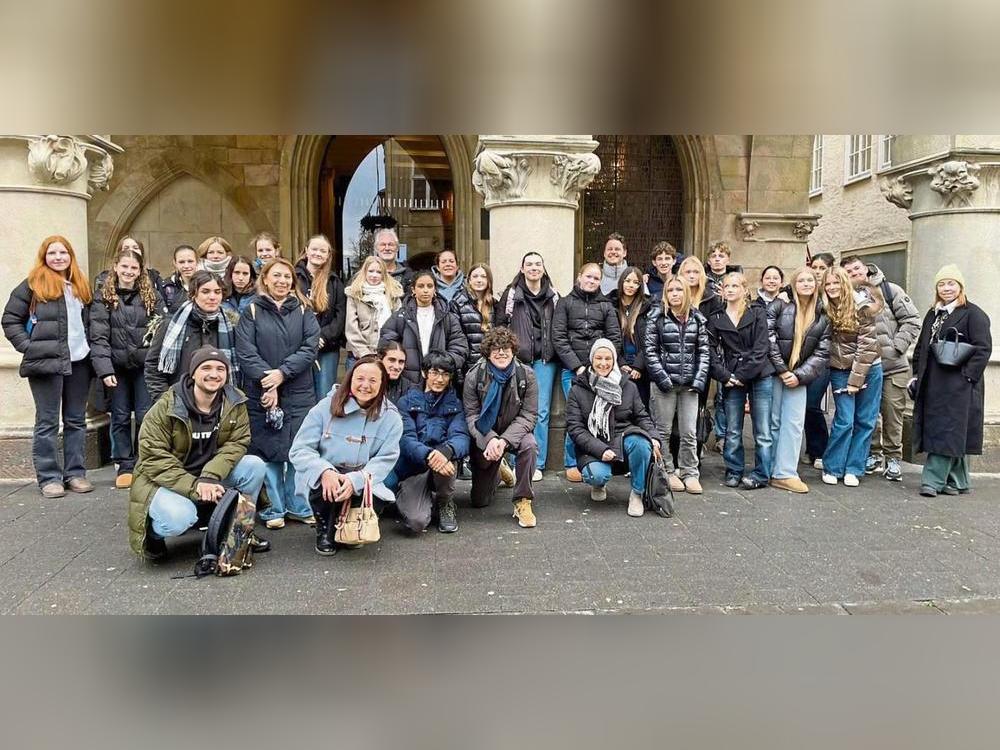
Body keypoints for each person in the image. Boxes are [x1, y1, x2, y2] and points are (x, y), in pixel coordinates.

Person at [127, 348, 269, 561]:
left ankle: (240, 530)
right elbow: (153, 458)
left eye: (221, 368)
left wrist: (209, 477)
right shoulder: (166, 407)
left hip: (207, 474)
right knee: (179, 518)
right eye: (206, 368)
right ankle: (153, 536)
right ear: (193, 373)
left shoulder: (235, 402)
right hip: (164, 479)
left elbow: (237, 443)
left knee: (254, 465)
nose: (214, 374)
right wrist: (195, 486)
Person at [2, 235, 95, 498]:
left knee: (76, 421)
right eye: (52, 253)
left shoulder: (79, 284)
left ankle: (76, 473)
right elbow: (10, 319)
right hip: (46, 364)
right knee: (47, 422)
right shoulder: (33, 283)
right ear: (44, 256)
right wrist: (28, 347)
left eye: (63, 252)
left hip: (79, 362)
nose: (58, 257)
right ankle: (49, 477)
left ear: (70, 256)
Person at [235, 258, 321, 529]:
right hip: (262, 391)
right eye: (277, 276)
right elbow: (246, 352)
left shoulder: (305, 310)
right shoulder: (251, 310)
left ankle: (297, 504)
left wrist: (282, 373)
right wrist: (268, 382)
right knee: (267, 449)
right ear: (265, 279)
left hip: (298, 389)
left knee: (297, 447)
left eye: (287, 277)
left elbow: (310, 348)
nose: (282, 281)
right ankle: (273, 507)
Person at [288, 355, 404, 556]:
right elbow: (300, 449)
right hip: (327, 476)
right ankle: (325, 528)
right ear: (350, 378)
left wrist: (355, 480)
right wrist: (324, 471)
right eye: (360, 378)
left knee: (366, 505)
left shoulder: (392, 418)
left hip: (363, 477)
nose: (365, 385)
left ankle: (352, 522)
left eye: (373, 380)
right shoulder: (325, 407)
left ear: (382, 384)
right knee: (327, 488)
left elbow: (385, 459)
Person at [911, 265, 992, 497]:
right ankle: (958, 481)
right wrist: (916, 374)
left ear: (960, 286)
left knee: (947, 430)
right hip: (933, 383)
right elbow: (921, 348)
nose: (946, 288)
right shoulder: (933, 314)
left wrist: (967, 376)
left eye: (951, 283)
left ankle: (932, 481)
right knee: (951, 431)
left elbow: (983, 348)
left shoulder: (973, 313)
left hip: (958, 386)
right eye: (941, 284)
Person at [90, 246, 166, 490]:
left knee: (146, 414)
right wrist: (105, 370)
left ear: (140, 270)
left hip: (145, 366)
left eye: (134, 268)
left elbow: (161, 329)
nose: (128, 272)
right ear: (115, 267)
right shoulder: (103, 296)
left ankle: (144, 462)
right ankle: (124, 464)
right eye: (124, 266)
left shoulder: (152, 295)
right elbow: (99, 336)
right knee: (120, 416)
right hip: (116, 368)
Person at [841, 255, 921, 482]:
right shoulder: (847, 297)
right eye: (848, 271)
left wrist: (898, 347)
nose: (854, 273)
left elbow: (912, 320)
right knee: (868, 414)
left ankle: (893, 457)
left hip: (892, 366)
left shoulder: (890, 290)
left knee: (892, 412)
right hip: (864, 366)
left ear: (865, 268)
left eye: (856, 268)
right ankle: (873, 454)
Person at [566, 339, 661, 516]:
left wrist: (654, 436)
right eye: (599, 358)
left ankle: (637, 494)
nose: (603, 363)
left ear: (614, 360)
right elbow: (575, 429)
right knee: (597, 474)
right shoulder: (578, 389)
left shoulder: (628, 387)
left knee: (642, 444)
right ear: (592, 359)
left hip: (623, 439)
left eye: (608, 358)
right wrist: (600, 449)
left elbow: (641, 416)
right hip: (594, 445)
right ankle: (599, 484)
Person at [463, 327, 540, 527]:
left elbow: (529, 415)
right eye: (496, 348)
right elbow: (471, 416)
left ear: (513, 350)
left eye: (506, 347)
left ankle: (523, 500)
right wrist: (490, 440)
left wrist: (503, 441)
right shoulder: (474, 376)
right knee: (480, 501)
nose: (501, 352)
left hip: (514, 432)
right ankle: (499, 471)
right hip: (485, 434)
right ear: (488, 353)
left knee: (530, 445)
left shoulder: (526, 375)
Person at [553, 262, 622, 482]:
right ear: (579, 277)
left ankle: (596, 458)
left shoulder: (606, 306)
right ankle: (571, 461)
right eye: (588, 277)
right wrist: (578, 367)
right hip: (572, 371)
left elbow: (614, 338)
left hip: (601, 372)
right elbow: (559, 337)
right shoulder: (565, 303)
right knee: (576, 417)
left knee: (600, 415)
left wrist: (600, 366)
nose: (592, 281)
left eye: (596, 278)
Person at [388, 351, 470, 533]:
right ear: (425, 373)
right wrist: (428, 454)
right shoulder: (406, 402)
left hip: (442, 468)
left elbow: (461, 437)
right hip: (414, 469)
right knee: (416, 522)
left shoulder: (455, 403)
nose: (440, 379)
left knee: (446, 457)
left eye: (445, 374)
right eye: (435, 372)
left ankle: (445, 502)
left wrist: (446, 451)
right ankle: (406, 495)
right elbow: (406, 439)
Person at [494, 252, 560, 480]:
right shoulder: (511, 294)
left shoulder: (553, 296)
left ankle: (537, 463)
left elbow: (559, 328)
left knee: (540, 411)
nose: (534, 268)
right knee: (514, 409)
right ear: (522, 269)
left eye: (538, 264)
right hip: (517, 360)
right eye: (529, 264)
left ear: (543, 268)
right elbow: (500, 327)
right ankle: (514, 459)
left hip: (544, 360)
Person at [766, 266, 831, 493]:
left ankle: (786, 472)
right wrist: (783, 370)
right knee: (773, 422)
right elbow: (769, 339)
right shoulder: (779, 306)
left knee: (793, 424)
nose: (806, 284)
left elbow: (822, 352)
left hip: (799, 377)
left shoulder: (823, 315)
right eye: (801, 280)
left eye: (810, 280)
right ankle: (770, 468)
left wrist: (799, 375)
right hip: (776, 373)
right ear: (793, 284)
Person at [643, 277, 711, 494]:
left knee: (689, 431)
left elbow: (704, 352)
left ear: (686, 293)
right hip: (664, 383)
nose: (674, 293)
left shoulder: (697, 319)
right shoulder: (656, 318)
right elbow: (650, 351)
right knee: (662, 431)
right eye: (670, 290)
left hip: (689, 385)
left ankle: (690, 472)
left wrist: (698, 381)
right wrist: (662, 378)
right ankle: (667, 471)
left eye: (679, 289)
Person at [707, 272, 773, 490]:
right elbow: (710, 351)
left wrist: (741, 376)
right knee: (733, 429)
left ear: (745, 289)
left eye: (735, 285)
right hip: (731, 377)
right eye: (727, 286)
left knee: (762, 430)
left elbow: (761, 348)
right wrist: (725, 376)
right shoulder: (717, 317)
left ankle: (761, 473)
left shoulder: (757, 312)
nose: (731, 289)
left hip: (758, 374)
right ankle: (734, 470)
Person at [818, 267, 883, 487]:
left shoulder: (862, 307)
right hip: (839, 368)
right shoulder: (824, 307)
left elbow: (867, 346)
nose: (832, 287)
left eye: (836, 283)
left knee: (865, 421)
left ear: (844, 283)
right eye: (827, 284)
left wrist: (856, 382)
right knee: (844, 420)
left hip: (869, 368)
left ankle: (854, 468)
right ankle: (833, 466)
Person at [145, 270, 239, 403]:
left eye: (217, 292)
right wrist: (165, 400)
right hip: (178, 402)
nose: (212, 297)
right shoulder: (171, 325)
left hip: (218, 403)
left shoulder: (230, 327)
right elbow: (153, 367)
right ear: (194, 293)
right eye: (205, 292)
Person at [378, 270, 468, 387]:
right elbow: (386, 343)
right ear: (413, 290)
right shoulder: (401, 316)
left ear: (435, 289)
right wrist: (398, 363)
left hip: (439, 381)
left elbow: (460, 346)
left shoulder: (448, 318)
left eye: (430, 286)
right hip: (407, 381)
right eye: (421, 286)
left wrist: (443, 363)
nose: (425, 290)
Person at [294, 234, 347, 401]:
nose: (318, 253)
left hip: (326, 348)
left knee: (325, 395)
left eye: (322, 251)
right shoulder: (293, 277)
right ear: (306, 251)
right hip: (299, 345)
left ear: (328, 255)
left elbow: (340, 315)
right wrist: (309, 338)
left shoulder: (334, 281)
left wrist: (322, 336)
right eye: (314, 249)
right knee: (300, 394)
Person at [345, 255, 404, 364]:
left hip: (386, 354)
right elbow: (351, 327)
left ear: (384, 274)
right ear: (365, 272)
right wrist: (365, 354)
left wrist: (389, 349)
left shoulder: (393, 294)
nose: (374, 275)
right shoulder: (354, 294)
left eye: (378, 272)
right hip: (358, 355)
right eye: (371, 271)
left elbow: (399, 324)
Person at [608, 266, 651, 404]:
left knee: (641, 405)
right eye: (627, 281)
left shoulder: (647, 306)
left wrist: (638, 366)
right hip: (618, 364)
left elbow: (650, 339)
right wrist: (620, 362)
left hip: (641, 365)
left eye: (636, 282)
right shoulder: (610, 304)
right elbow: (607, 336)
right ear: (621, 282)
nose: (631, 285)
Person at [451, 263, 495, 376]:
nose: (479, 280)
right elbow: (456, 339)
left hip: (491, 364)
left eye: (483, 277)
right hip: (467, 366)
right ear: (469, 280)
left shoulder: (495, 304)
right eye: (475, 276)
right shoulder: (458, 303)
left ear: (489, 280)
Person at [94, 236, 165, 298]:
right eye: (126, 248)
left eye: (135, 247)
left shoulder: (153, 277)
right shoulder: (104, 278)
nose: (131, 250)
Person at [374, 228, 414, 293]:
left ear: (397, 248)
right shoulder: (363, 275)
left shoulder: (410, 277)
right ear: (376, 248)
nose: (387, 248)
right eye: (383, 244)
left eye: (391, 244)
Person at [161, 244, 199, 313]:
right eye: (181, 262)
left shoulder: (207, 284)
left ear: (197, 262)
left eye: (190, 261)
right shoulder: (167, 287)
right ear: (175, 263)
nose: (186, 266)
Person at [379, 340, 415, 405]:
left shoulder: (409, 388)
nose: (396, 366)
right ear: (380, 360)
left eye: (401, 362)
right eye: (392, 360)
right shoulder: (370, 383)